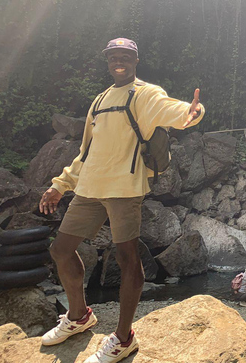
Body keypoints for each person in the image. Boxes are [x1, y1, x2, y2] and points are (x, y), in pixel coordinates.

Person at [38, 37, 204, 363]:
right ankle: (79, 315)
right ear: (107, 61)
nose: (119, 61)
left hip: (125, 188)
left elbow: (174, 110)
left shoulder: (145, 93)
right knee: (60, 249)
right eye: (114, 56)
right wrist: (61, 184)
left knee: (127, 258)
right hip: (89, 188)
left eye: (125, 56)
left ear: (135, 60)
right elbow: (85, 151)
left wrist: (192, 112)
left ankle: (124, 337)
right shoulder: (99, 100)